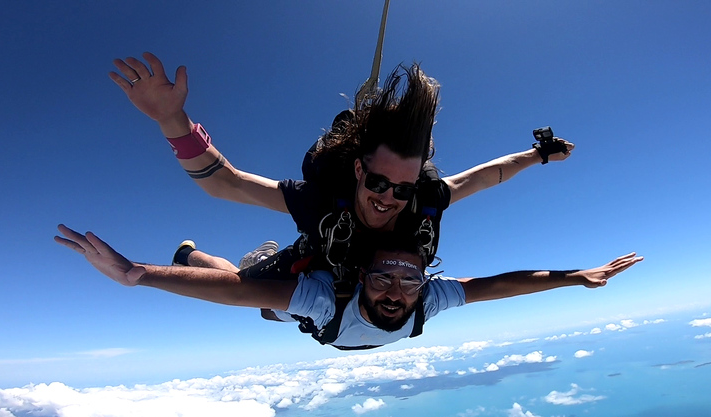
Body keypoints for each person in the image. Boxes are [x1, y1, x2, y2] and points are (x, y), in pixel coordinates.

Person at [108, 53, 575, 283]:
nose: (389, 196)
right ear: (356, 170)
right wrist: (172, 120)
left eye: (403, 188)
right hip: (312, 272)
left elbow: (486, 175)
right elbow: (227, 184)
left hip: (356, 281)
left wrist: (537, 155)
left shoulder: (424, 199)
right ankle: (189, 254)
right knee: (242, 283)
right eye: (378, 181)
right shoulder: (319, 200)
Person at [55, 224, 642, 351]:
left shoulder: (426, 298)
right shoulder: (320, 296)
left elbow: (494, 285)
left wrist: (572, 278)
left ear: (424, 284)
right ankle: (190, 249)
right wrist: (137, 276)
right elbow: (233, 291)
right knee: (251, 283)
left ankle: (190, 251)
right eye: (383, 275)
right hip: (294, 295)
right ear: (360, 277)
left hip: (316, 323)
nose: (395, 289)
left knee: (255, 299)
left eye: (409, 278)